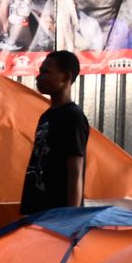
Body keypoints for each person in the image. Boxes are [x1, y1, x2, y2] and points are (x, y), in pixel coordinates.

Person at [19, 51, 89, 215]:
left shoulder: (73, 117)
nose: (38, 77)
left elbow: (75, 170)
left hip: (58, 214)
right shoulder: (47, 116)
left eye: (45, 72)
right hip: (38, 210)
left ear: (65, 77)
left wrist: (71, 216)